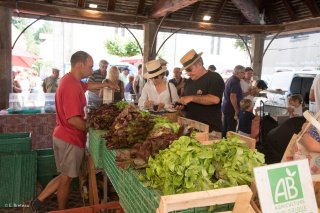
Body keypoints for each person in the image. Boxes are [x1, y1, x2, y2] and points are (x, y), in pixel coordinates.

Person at [30, 51, 119, 212]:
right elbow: (73, 119)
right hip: (69, 138)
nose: (92, 71)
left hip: (63, 135)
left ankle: (39, 200)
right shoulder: (70, 85)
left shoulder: (72, 80)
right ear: (80, 65)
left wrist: (106, 84)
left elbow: (88, 86)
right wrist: (92, 129)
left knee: (65, 175)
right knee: (66, 179)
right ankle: (61, 210)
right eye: (90, 67)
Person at [178, 49, 225, 139]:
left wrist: (191, 98)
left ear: (199, 65)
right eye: (186, 71)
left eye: (189, 69)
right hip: (191, 128)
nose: (188, 73)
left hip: (210, 131)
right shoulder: (189, 82)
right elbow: (189, 103)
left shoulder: (214, 77)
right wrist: (182, 106)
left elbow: (214, 99)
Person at [221, 65, 245, 138]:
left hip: (226, 106)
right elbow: (233, 96)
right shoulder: (235, 81)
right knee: (231, 129)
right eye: (243, 72)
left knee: (225, 127)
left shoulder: (231, 79)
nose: (244, 74)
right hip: (231, 108)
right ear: (238, 72)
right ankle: (228, 145)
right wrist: (236, 109)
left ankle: (223, 142)